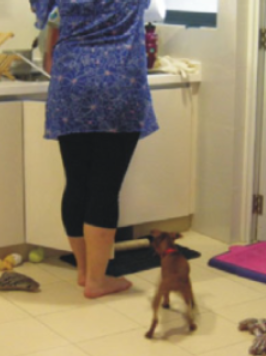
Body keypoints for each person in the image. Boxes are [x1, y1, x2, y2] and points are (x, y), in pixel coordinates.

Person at [30, 0, 158, 298]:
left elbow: (39, 9)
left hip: (71, 82)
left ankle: (85, 271)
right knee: (104, 188)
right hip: (119, 82)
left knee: (77, 182)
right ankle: (97, 281)